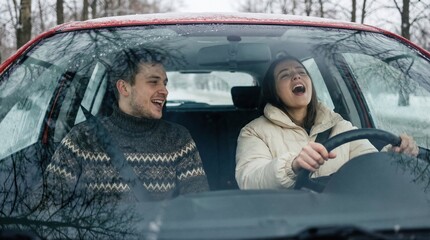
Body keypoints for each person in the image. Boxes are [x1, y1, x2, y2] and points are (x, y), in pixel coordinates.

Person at [46, 48, 209, 201]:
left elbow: (198, 206)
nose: (165, 91)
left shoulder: (178, 139)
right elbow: (47, 203)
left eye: (164, 83)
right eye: (154, 82)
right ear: (124, 87)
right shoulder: (82, 139)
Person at [235, 55, 419, 190]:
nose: (296, 77)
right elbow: (249, 180)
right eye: (285, 75)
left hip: (344, 220)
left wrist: (394, 155)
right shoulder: (254, 132)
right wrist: (292, 165)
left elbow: (368, 165)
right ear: (273, 91)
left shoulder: (340, 126)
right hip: (289, 223)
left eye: (301, 72)